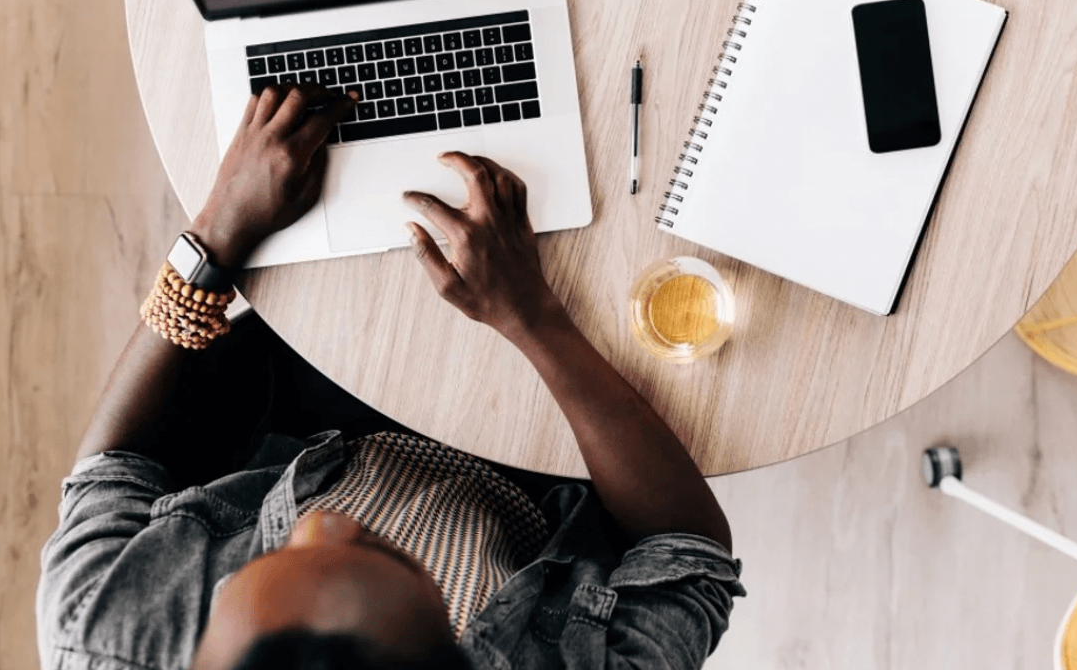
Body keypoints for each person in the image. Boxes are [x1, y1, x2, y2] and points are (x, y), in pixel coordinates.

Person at [36, 82, 744, 670]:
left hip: (311, 409)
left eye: (252, 574)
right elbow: (691, 552)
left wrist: (218, 232)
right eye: (388, 559)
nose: (326, 524)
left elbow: (110, 470)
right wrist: (534, 320)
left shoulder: (99, 636)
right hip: (559, 466)